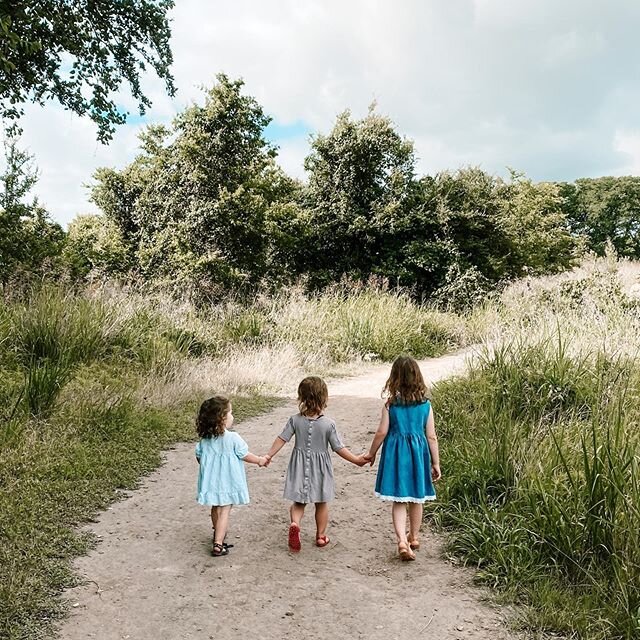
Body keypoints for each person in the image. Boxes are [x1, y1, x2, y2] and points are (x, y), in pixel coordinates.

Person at [264, 376, 365, 551]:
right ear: (324, 398)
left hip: (299, 465)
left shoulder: (295, 420)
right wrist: (356, 460)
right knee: (322, 502)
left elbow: (282, 439)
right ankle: (320, 536)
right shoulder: (328, 424)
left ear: (301, 398)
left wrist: (268, 455)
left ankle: (295, 524)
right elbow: (338, 447)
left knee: (299, 502)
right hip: (321, 468)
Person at [363, 356, 441, 561]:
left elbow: (381, 432)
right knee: (417, 498)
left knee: (399, 499)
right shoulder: (425, 406)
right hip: (418, 456)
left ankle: (401, 541)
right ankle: (414, 537)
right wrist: (436, 462)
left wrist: (371, 453)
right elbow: (431, 436)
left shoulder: (391, 406)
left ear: (394, 379)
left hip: (397, 455)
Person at [195, 395, 267, 557]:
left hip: (212, 483)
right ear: (222, 418)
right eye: (230, 413)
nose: (232, 416)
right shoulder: (233, 438)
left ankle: (217, 534)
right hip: (228, 482)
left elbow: (199, 457)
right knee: (224, 511)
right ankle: (218, 544)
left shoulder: (204, 441)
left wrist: (210, 469)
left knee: (215, 508)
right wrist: (260, 460)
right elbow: (244, 454)